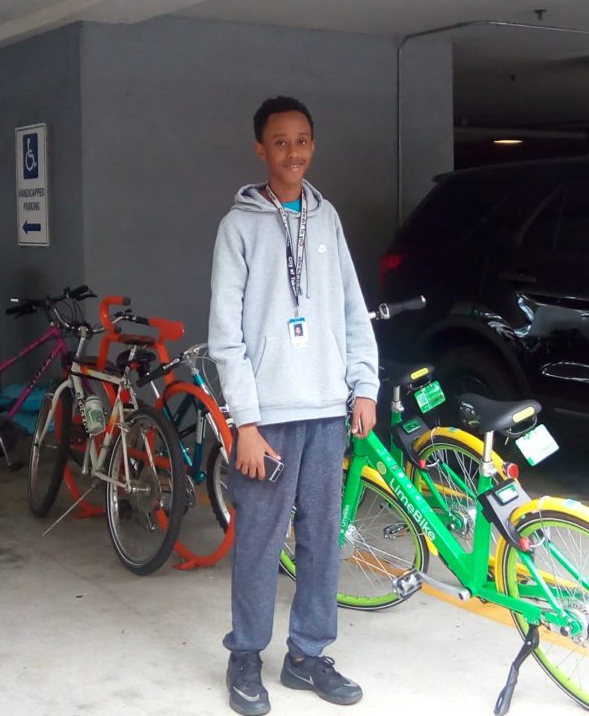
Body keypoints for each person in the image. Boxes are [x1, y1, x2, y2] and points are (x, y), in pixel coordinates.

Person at [208, 95, 379, 716]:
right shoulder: (238, 227)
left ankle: (307, 655)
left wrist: (364, 385)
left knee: (321, 540)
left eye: (302, 140)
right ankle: (246, 656)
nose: (293, 152)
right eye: (280, 142)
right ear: (261, 148)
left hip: (327, 411)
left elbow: (352, 308)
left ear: (313, 144)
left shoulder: (327, 219)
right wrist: (246, 424)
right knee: (258, 542)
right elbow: (226, 336)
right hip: (270, 421)